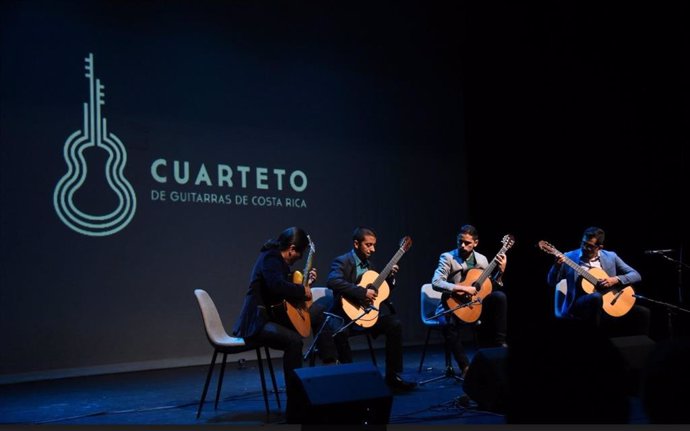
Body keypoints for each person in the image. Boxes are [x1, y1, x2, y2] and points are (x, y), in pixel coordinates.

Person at [232, 226, 317, 423]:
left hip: (268, 319)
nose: (298, 258)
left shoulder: (277, 261)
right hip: (256, 322)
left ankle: (298, 403)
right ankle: (295, 408)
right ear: (292, 248)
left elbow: (284, 291)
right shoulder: (271, 258)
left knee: (295, 341)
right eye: (299, 254)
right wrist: (301, 291)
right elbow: (276, 286)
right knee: (294, 342)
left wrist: (306, 284)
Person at [324, 226, 416, 391]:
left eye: (374, 245)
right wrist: (362, 292)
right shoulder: (343, 261)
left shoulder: (370, 265)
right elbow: (333, 281)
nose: (372, 249)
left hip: (367, 315)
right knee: (339, 333)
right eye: (368, 245)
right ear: (356, 244)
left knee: (394, 324)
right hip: (346, 317)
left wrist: (390, 279)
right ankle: (348, 379)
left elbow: (379, 294)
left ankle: (392, 376)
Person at [431, 224, 508, 377]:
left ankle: (500, 344)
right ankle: (465, 367)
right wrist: (463, 289)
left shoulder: (482, 260)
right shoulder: (448, 257)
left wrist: (500, 272)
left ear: (475, 243)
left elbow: (488, 287)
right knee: (448, 323)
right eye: (460, 241)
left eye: (467, 243)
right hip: (452, 304)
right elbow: (436, 282)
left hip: (474, 305)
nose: (463, 246)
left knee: (499, 297)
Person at [546, 226, 650, 334]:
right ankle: (596, 340)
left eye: (590, 246)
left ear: (599, 247)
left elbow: (636, 275)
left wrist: (615, 279)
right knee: (596, 297)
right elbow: (551, 282)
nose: (585, 248)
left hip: (608, 303)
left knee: (643, 312)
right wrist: (556, 266)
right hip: (579, 303)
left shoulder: (611, 256)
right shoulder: (569, 257)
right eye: (583, 243)